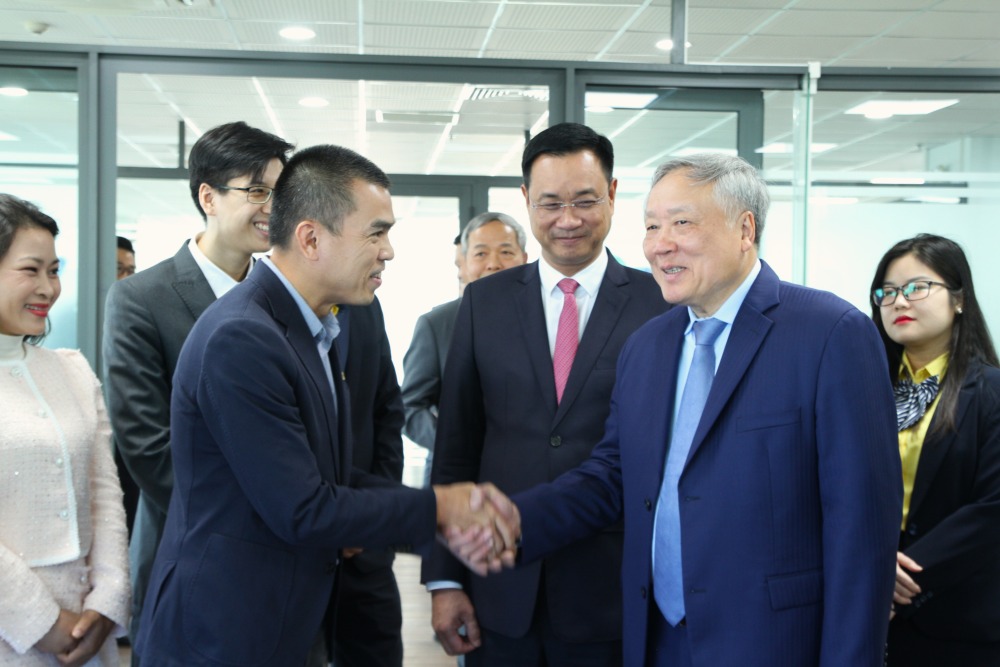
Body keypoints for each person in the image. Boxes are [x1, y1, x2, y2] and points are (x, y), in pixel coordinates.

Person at [501, 153, 902, 666]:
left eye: (681, 223)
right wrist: (512, 519)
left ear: (745, 229)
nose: (659, 243)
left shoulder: (830, 334)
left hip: (773, 642)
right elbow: (613, 476)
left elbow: (861, 532)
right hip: (656, 638)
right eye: (650, 226)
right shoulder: (646, 347)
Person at [133, 144, 517, 666]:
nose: (389, 251)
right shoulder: (243, 337)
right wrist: (440, 509)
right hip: (224, 633)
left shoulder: (311, 328)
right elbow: (304, 508)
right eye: (376, 232)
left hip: (283, 621)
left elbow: (337, 476)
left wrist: (445, 511)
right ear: (311, 238)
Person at [424, 123, 667, 666]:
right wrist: (443, 579)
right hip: (498, 586)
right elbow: (456, 447)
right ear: (526, 200)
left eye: (585, 201)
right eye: (550, 203)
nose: (568, 220)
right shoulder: (483, 303)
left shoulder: (660, 303)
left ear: (612, 194)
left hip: (613, 585)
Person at [102, 121, 293, 656]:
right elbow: (146, 447)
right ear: (208, 196)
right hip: (189, 554)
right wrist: (269, 516)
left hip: (285, 561)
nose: (272, 208)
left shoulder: (286, 299)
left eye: (280, 193)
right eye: (257, 191)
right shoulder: (141, 299)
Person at [0, 194, 130, 665]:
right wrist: (41, 623)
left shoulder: (71, 370)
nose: (48, 288)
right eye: (30, 270)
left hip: (87, 629)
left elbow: (103, 493)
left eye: (53, 271)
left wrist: (108, 600)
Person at [870, 234, 1000, 666]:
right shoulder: (863, 391)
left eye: (916, 288)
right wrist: (871, 568)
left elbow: (992, 506)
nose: (898, 302)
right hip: (867, 609)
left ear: (959, 299)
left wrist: (903, 574)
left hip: (957, 616)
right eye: (886, 292)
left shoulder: (990, 392)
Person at [402, 212, 528, 487]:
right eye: (481, 254)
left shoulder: (547, 320)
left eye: (506, 252)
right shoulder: (435, 324)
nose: (493, 264)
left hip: (529, 478)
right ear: (465, 263)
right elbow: (411, 407)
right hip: (455, 482)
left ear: (524, 259)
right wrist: (454, 442)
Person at [329, 298, 407, 667]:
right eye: (375, 236)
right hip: (291, 552)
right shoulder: (257, 311)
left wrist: (372, 516)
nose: (385, 252)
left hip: (366, 551)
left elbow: (388, 410)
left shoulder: (366, 306)